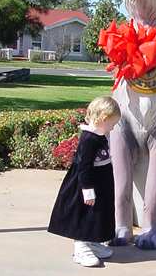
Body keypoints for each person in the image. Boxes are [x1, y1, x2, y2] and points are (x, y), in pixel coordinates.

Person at [48, 96, 120, 267]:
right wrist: (87, 190)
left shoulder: (100, 134)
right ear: (103, 119)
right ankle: (81, 246)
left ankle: (93, 241)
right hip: (87, 185)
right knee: (85, 216)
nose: (113, 127)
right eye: (112, 124)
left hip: (100, 183)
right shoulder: (89, 139)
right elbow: (83, 166)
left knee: (98, 215)